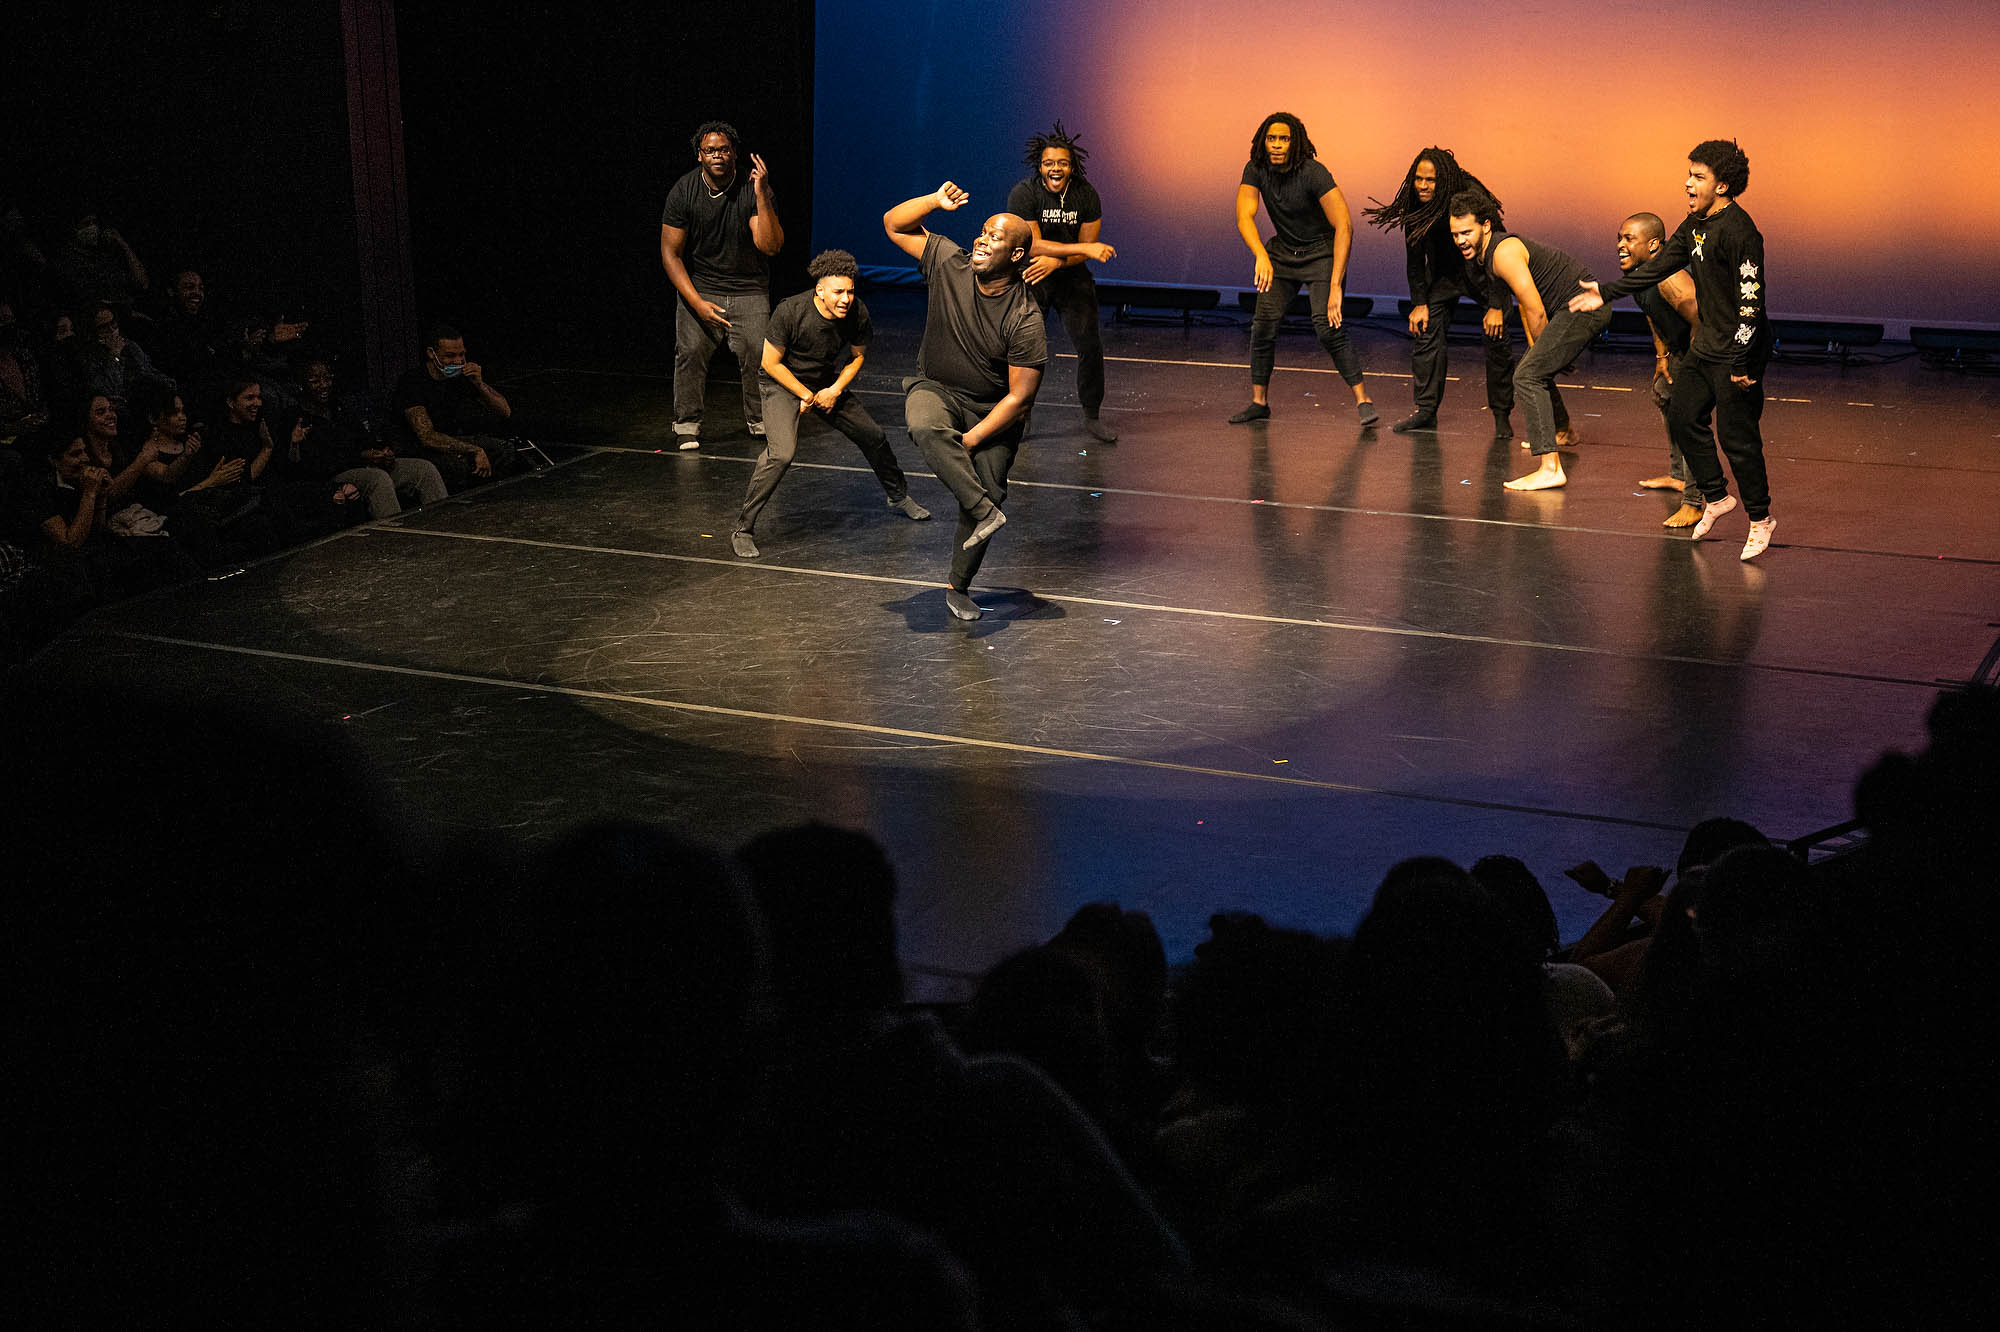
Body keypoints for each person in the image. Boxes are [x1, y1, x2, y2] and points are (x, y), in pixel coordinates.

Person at [1572, 140, 1775, 559]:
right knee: (1682, 417)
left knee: (1738, 440)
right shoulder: (1695, 224)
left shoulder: (1741, 231)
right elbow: (1657, 267)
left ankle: (1760, 519)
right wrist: (1605, 294)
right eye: (1690, 174)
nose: (1688, 183)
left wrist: (1742, 361)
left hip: (1738, 349)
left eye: (1698, 176)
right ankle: (1717, 499)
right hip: (1706, 348)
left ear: (1722, 185)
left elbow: (1752, 301)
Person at [882, 182, 1046, 623]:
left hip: (992, 411)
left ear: (1015, 256)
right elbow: (893, 224)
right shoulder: (949, 262)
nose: (981, 240)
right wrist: (935, 202)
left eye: (995, 237)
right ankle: (982, 511)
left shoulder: (1025, 316)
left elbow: (1020, 396)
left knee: (991, 487)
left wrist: (971, 438)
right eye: (982, 232)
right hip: (936, 387)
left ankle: (958, 586)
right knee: (923, 425)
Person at [730, 250, 928, 559]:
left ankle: (898, 495)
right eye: (838, 292)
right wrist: (806, 396)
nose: (846, 298)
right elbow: (770, 363)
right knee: (781, 455)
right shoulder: (791, 311)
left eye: (850, 291)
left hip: (823, 383)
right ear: (820, 291)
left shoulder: (857, 312)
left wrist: (833, 390)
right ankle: (743, 528)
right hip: (781, 383)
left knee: (873, 435)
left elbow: (857, 356)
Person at [1448, 191, 1610, 491]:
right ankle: (1563, 431)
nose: (1460, 241)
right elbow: (1525, 306)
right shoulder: (1489, 254)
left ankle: (1550, 468)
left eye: (1466, 232)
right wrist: (1542, 348)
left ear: (1485, 226)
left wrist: (1546, 348)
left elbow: (1535, 307)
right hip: (1571, 308)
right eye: (1455, 234)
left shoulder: (1503, 253)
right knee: (1535, 367)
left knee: (1527, 375)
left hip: (1582, 306)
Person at [1228, 112, 1376, 427]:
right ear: (1263, 142)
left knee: (1327, 325)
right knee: (1263, 325)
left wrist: (1336, 285)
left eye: (1284, 139)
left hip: (1321, 253)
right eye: (1272, 139)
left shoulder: (1313, 172)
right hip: (1282, 253)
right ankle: (1259, 403)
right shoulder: (1256, 169)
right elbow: (1244, 215)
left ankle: (1363, 399)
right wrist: (1261, 255)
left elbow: (1344, 226)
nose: (1277, 145)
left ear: (1294, 142)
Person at [1363, 148, 1515, 436]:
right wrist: (1419, 302)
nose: (1422, 186)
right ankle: (1426, 410)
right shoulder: (1415, 203)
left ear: (1444, 180)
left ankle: (1501, 415)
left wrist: (1496, 303)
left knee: (1497, 340)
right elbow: (1414, 258)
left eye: (1430, 180)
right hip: (1443, 274)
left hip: (1483, 272)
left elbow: (1501, 248)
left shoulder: (1472, 195)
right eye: (1419, 179)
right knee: (1426, 330)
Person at [659, 120, 783, 449]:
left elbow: (770, 246)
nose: (718, 155)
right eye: (710, 150)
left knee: (757, 354)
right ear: (699, 156)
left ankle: (759, 419)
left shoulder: (751, 186)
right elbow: (671, 255)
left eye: (724, 149)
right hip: (702, 288)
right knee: (690, 352)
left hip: (749, 288)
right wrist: (696, 303)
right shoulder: (683, 191)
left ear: (734, 153)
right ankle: (687, 423)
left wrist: (761, 196)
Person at [1007, 122, 1119, 442]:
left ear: (1072, 166)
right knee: (1024, 349)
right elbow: (1033, 244)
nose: (1055, 168)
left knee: (1090, 346)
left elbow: (1084, 252)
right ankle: (1018, 415)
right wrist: (1080, 249)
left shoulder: (1086, 195)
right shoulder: (1024, 193)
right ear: (1040, 166)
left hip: (1071, 278)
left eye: (1062, 163)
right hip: (1033, 276)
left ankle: (1092, 416)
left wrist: (1060, 260)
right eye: (1049, 163)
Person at [1616, 213, 1712, 528]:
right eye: (1620, 238)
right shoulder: (1641, 276)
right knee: (1663, 394)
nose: (1620, 245)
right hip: (1682, 349)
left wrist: (1695, 367)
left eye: (1629, 239)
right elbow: (1652, 315)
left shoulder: (1668, 278)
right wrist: (1663, 355)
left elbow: (1702, 316)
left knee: (1689, 418)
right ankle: (1678, 476)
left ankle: (1695, 503)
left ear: (1654, 244)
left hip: (1706, 349)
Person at [391, 324, 517, 489]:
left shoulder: (460, 377)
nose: (458, 361)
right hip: (418, 446)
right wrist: (474, 450)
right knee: (457, 463)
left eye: (462, 354)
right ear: (431, 354)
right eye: (450, 356)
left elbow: (505, 411)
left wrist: (479, 384)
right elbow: (427, 437)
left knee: (503, 450)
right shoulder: (413, 382)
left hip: (453, 438)